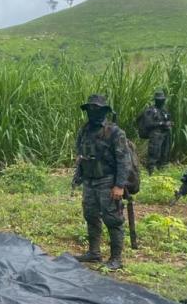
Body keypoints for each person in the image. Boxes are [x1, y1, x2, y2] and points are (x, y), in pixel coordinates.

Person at [73, 95, 131, 271]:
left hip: (107, 181)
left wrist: (119, 185)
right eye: (90, 109)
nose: (93, 112)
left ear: (105, 111)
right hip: (90, 181)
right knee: (90, 215)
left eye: (97, 109)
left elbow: (124, 161)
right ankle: (94, 252)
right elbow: (80, 154)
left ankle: (116, 258)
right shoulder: (84, 130)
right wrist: (79, 171)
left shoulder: (114, 132)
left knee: (112, 219)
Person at [138, 91, 173, 173]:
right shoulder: (151, 110)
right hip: (156, 135)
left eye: (162, 99)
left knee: (165, 154)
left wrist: (168, 123)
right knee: (154, 154)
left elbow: (168, 120)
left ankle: (162, 171)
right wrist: (161, 123)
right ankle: (151, 171)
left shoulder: (164, 111)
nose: (161, 101)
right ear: (156, 100)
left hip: (165, 134)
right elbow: (148, 124)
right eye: (159, 100)